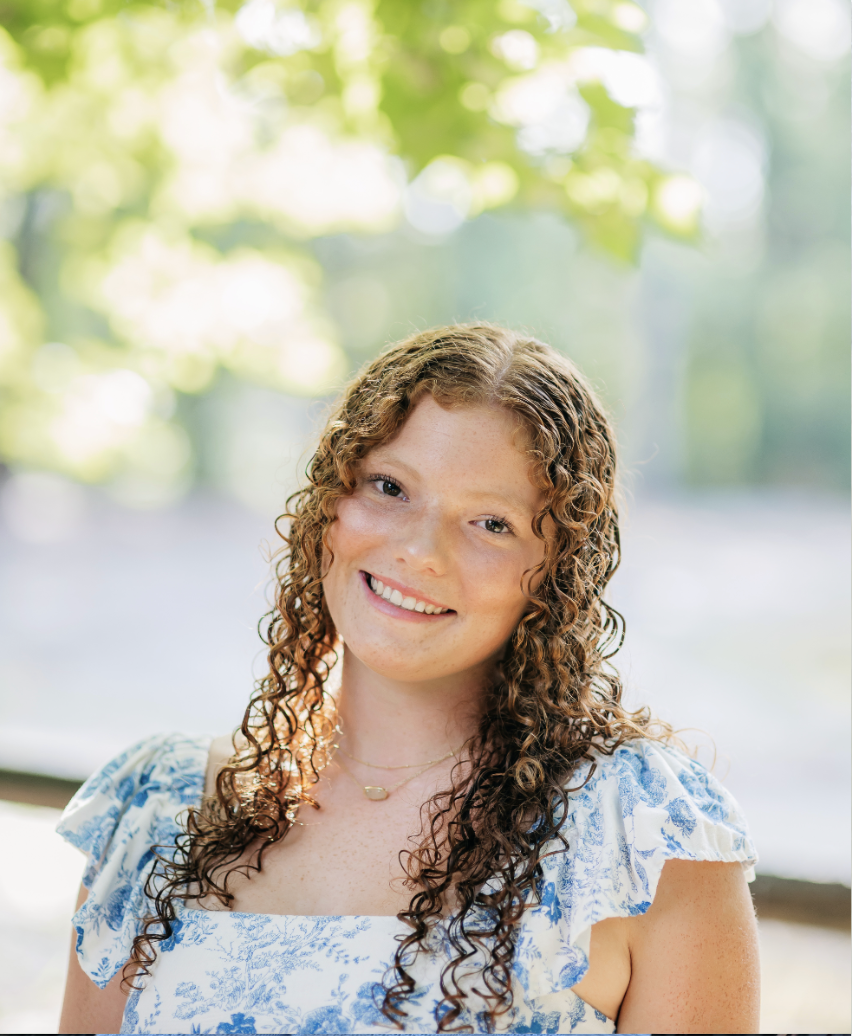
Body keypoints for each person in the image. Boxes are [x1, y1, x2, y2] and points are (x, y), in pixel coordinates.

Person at [58, 325, 760, 1035]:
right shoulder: (155, 810)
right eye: (390, 487)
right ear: (330, 502)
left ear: (555, 575)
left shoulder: (640, 833)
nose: (421, 551)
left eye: (491, 522)